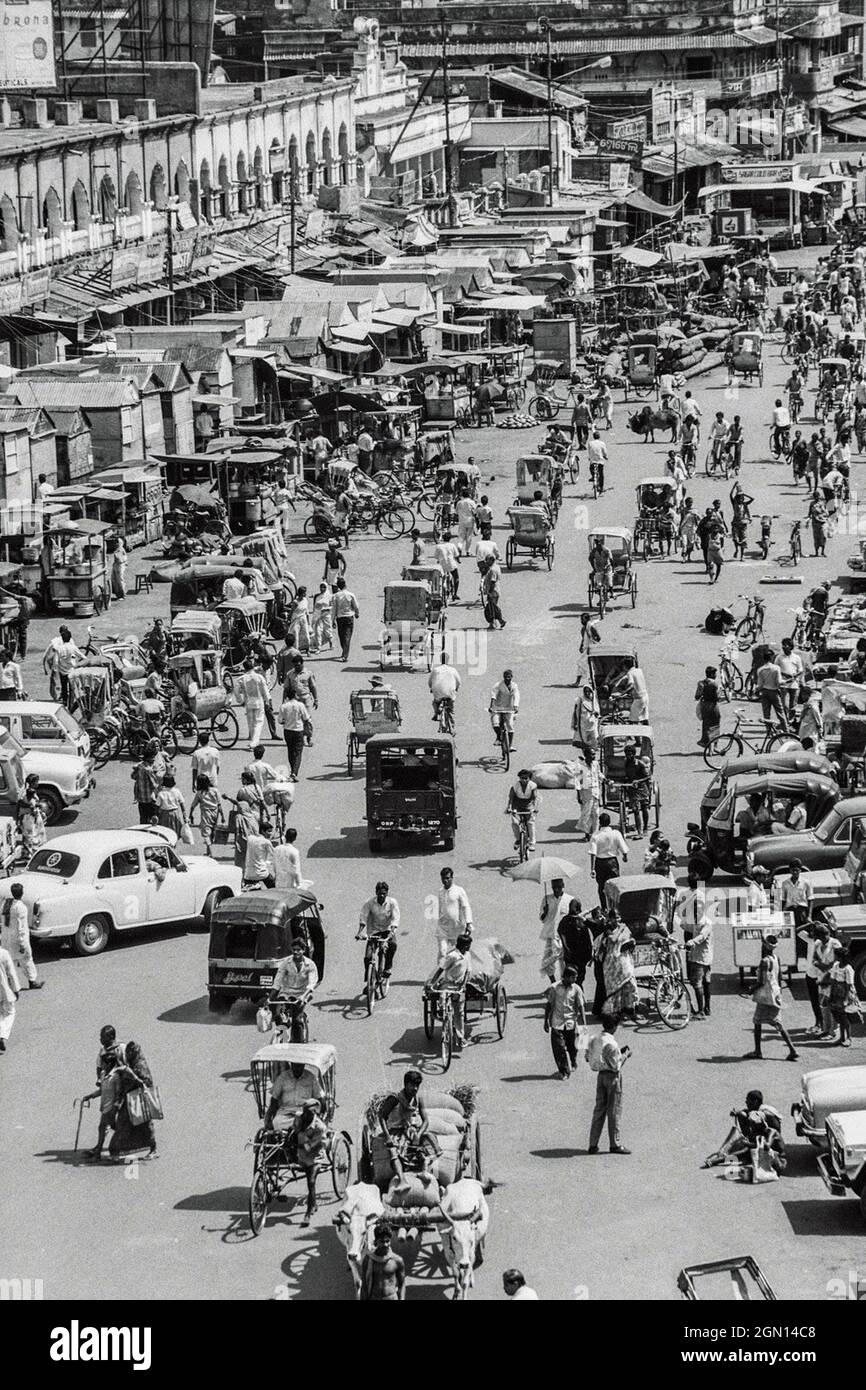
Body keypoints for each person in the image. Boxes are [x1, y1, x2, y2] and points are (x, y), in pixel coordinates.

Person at [745, 937, 798, 1062]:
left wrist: (751, 989)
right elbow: (779, 977)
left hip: (765, 996)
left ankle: (758, 1051)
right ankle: (792, 1049)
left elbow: (762, 981)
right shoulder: (776, 958)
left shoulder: (764, 961)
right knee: (777, 1022)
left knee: (757, 1021)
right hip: (775, 993)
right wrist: (779, 992)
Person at [586, 1013, 631, 1154]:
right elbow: (616, 1065)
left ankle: (593, 1144)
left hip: (600, 1076)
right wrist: (625, 1055)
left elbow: (588, 1057)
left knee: (599, 1109)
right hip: (612, 1078)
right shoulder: (612, 1044)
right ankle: (615, 1144)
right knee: (614, 1111)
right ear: (614, 1027)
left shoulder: (595, 1038)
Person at [108, 1041, 158, 1160]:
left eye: (130, 1052)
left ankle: (153, 1149)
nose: (128, 1054)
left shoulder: (140, 1065)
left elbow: (146, 1081)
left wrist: (132, 1080)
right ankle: (117, 1151)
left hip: (139, 1100)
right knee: (124, 1123)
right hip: (131, 1098)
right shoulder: (133, 1064)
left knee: (142, 1125)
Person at [427, 932, 472, 1050]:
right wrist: (432, 983)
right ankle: (443, 1012)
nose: (469, 947)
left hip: (459, 987)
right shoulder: (452, 956)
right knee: (443, 996)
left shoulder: (467, 955)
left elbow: (468, 972)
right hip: (448, 984)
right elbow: (440, 969)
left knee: (459, 1013)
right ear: (464, 946)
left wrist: (463, 985)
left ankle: (460, 1037)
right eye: (468, 945)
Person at [544, 965, 586, 1079]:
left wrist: (584, 1023)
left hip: (571, 1023)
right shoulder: (554, 988)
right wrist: (545, 1021)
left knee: (573, 1047)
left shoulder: (576, 989)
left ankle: (573, 1060)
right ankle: (564, 1071)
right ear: (566, 977)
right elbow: (549, 1004)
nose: (575, 980)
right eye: (573, 977)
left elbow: (581, 1006)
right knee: (559, 1048)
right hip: (557, 1023)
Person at [593, 913, 638, 1022]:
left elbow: (630, 939)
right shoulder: (607, 929)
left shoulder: (625, 928)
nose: (618, 920)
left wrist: (632, 942)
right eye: (615, 918)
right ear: (611, 919)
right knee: (615, 989)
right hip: (611, 963)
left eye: (619, 917)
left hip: (624, 961)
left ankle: (629, 1010)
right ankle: (616, 1012)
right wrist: (620, 930)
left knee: (630, 984)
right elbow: (613, 939)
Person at [271, 938, 319, 1035]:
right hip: (286, 993)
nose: (296, 952)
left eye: (298, 950)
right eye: (294, 950)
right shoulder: (286, 963)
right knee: (278, 1016)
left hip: (301, 994)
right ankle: (283, 1035)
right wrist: (269, 999)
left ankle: (299, 1041)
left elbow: (311, 984)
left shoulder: (310, 964)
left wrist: (303, 996)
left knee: (297, 1021)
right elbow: (278, 981)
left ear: (303, 950)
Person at [356, 880, 400, 984]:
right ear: (376, 893)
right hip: (374, 931)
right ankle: (370, 981)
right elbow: (363, 917)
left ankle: (387, 968)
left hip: (388, 930)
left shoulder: (392, 903)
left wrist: (392, 932)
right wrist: (359, 932)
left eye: (384, 894)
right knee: (368, 957)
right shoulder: (369, 903)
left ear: (387, 893)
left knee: (392, 945)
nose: (381, 896)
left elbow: (395, 918)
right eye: (379, 893)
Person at [0, 882, 41, 989]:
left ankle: (10, 984)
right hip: (17, 939)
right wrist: (22, 943)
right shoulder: (21, 907)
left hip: (6, 938)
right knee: (26, 959)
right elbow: (21, 927)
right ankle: (32, 981)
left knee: (9, 962)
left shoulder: (5, 904)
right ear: (21, 893)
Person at [825, 945, 862, 1046]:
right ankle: (841, 1037)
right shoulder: (836, 965)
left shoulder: (848, 969)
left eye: (838, 956)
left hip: (845, 994)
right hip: (836, 993)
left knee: (845, 1017)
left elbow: (848, 985)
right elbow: (833, 981)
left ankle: (849, 1037)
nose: (836, 958)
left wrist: (845, 1000)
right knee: (839, 1016)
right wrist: (831, 995)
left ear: (842, 957)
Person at [589, 813, 628, 908]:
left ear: (600, 823)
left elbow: (593, 853)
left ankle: (604, 908)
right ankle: (614, 908)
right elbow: (624, 849)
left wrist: (592, 869)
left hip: (600, 863)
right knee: (614, 886)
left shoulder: (596, 835)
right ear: (609, 822)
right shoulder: (616, 833)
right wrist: (624, 856)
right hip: (612, 863)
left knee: (602, 887)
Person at [361, 1222, 406, 1300]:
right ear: (376, 1242)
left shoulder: (397, 1260)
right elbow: (364, 1285)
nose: (385, 1244)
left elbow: (402, 1285)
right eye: (382, 1241)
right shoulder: (368, 1259)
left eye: (387, 1241)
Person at [436, 866, 473, 959]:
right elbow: (441, 908)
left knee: (458, 954)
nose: (445, 880)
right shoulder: (440, 891)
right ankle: (440, 972)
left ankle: (461, 971)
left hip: (457, 928)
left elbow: (466, 906)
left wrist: (469, 923)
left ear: (452, 878)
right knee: (442, 952)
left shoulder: (459, 891)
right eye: (443, 878)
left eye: (447, 878)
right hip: (443, 928)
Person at [42, 625, 83, 705]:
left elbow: (47, 654)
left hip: (60, 668)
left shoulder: (55, 641)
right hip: (70, 668)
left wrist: (47, 667)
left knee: (61, 685)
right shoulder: (70, 641)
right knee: (71, 687)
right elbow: (77, 654)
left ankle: (61, 699)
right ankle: (69, 702)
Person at [237, 658, 271, 750]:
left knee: (251, 722)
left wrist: (241, 701)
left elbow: (236, 691)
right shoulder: (259, 677)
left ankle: (253, 740)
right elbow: (265, 690)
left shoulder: (241, 678)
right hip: (259, 702)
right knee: (258, 722)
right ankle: (254, 742)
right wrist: (268, 701)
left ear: (244, 668)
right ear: (252, 666)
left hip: (248, 702)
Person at [557, 902, 593, 987]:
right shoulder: (566, 920)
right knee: (572, 977)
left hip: (580, 955)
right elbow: (562, 934)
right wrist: (566, 948)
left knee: (579, 978)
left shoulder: (581, 919)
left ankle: (578, 995)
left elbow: (587, 938)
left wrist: (589, 954)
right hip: (572, 955)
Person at [279, 691, 312, 782]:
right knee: (298, 752)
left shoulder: (284, 706)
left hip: (287, 731)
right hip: (298, 730)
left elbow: (279, 720)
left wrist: (285, 721)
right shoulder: (300, 705)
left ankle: (293, 769)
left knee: (290, 750)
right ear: (296, 696)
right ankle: (294, 772)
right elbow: (306, 717)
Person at [685, 911, 712, 1019]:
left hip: (700, 958)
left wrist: (692, 942)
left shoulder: (706, 923)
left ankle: (701, 1011)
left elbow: (702, 936)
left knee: (698, 985)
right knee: (706, 983)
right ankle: (707, 1009)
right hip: (702, 957)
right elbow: (686, 927)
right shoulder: (696, 921)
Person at [621, 741, 651, 837]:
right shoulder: (626, 763)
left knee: (644, 809)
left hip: (642, 789)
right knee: (636, 811)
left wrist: (638, 781)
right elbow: (627, 775)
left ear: (634, 754)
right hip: (632, 790)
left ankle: (645, 828)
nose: (628, 756)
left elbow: (648, 777)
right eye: (627, 754)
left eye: (630, 754)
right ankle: (639, 832)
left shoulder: (640, 764)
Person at [190, 774, 222, 856]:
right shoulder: (215, 790)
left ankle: (211, 852)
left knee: (206, 833)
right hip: (215, 813)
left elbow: (193, 805)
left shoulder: (199, 793)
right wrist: (222, 816)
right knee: (212, 831)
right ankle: (208, 851)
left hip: (206, 813)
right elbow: (219, 804)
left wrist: (190, 814)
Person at [755, 652, 788, 732]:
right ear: (771, 658)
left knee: (766, 713)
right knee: (780, 712)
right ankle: (786, 730)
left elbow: (760, 685)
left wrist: (756, 691)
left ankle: (768, 731)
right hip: (774, 692)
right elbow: (779, 682)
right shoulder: (776, 668)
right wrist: (786, 681)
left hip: (765, 693)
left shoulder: (760, 670)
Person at [507, 768, 538, 854]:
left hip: (529, 804)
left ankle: (531, 843)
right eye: (522, 778)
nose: (523, 780)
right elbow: (511, 798)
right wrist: (509, 808)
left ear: (529, 778)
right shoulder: (515, 786)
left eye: (526, 778)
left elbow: (535, 798)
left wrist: (535, 808)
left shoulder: (533, 786)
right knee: (515, 823)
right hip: (517, 805)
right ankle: (518, 839)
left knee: (530, 823)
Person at [489, 669, 520, 750]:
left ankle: (510, 746)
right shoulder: (498, 685)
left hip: (509, 708)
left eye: (509, 677)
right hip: (497, 708)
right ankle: (498, 737)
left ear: (512, 677)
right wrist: (491, 706)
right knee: (495, 723)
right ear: (503, 677)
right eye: (506, 677)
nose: (507, 679)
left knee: (510, 725)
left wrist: (516, 705)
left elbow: (516, 696)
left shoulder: (514, 686)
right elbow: (493, 695)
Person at [132, 746, 162, 825]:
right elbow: (154, 784)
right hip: (149, 798)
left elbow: (133, 776)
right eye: (152, 758)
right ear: (148, 758)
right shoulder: (148, 770)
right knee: (154, 818)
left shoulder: (140, 766)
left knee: (143, 818)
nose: (154, 760)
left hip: (141, 798)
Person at [778, 859, 812, 928]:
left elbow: (810, 899)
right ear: (790, 870)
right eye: (793, 870)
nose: (795, 872)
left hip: (801, 911)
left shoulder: (806, 883)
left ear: (800, 870)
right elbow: (783, 900)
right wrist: (781, 914)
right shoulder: (785, 883)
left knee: (802, 932)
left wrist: (809, 916)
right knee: (790, 931)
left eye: (797, 870)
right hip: (789, 910)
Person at [332, 577, 359, 662]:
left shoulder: (335, 596)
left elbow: (334, 609)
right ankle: (345, 653)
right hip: (349, 617)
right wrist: (357, 613)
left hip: (340, 618)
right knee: (347, 636)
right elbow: (356, 606)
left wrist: (332, 620)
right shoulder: (350, 594)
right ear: (345, 585)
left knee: (341, 636)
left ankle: (344, 652)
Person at [575, 748, 600, 840]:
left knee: (596, 814)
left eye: (594, 754)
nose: (594, 756)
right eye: (592, 754)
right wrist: (578, 795)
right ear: (586, 755)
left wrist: (605, 779)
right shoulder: (580, 766)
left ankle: (595, 834)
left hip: (596, 792)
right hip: (586, 792)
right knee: (586, 814)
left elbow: (599, 774)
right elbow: (577, 781)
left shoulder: (596, 764)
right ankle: (587, 834)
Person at [428, 653, 461, 724]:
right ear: (448, 660)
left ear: (440, 660)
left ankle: (436, 714)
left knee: (435, 702)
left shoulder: (436, 670)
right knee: (451, 703)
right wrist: (457, 688)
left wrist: (431, 688)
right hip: (450, 691)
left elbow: (430, 681)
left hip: (437, 691)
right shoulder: (453, 670)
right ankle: (451, 714)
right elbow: (458, 681)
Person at [695, 665, 721, 749]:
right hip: (713, 706)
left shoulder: (701, 683)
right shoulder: (715, 684)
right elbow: (718, 697)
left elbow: (697, 696)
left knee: (706, 724)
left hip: (705, 706)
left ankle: (706, 741)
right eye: (715, 673)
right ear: (712, 674)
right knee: (715, 724)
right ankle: (714, 743)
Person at [572, 683, 599, 755]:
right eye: (586, 691)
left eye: (589, 691)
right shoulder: (580, 700)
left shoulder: (593, 699)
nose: (587, 693)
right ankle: (586, 755)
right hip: (583, 725)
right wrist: (575, 723)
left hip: (592, 724)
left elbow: (597, 710)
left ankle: (592, 754)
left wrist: (596, 714)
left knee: (593, 739)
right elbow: (575, 712)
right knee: (584, 741)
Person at [310, 583, 334, 653]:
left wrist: (325, 608)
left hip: (326, 615)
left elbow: (332, 606)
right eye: (321, 587)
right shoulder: (317, 596)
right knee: (318, 631)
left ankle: (331, 643)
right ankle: (318, 647)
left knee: (328, 630)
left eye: (324, 587)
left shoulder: (329, 596)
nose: (322, 589)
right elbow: (315, 607)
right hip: (318, 615)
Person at [455, 489, 477, 557]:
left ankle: (459, 547)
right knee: (469, 536)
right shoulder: (471, 502)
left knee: (461, 536)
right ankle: (468, 551)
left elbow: (456, 511)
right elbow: (475, 511)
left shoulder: (459, 502)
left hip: (462, 521)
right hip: (470, 520)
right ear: (469, 495)